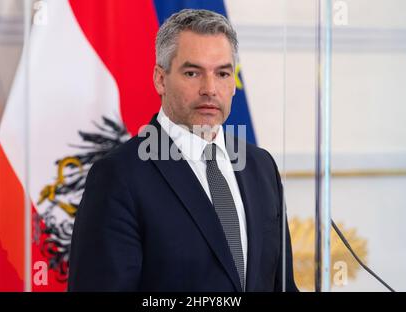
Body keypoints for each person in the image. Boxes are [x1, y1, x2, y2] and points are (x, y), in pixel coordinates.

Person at [68, 9, 298, 292]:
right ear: (160, 80)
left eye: (223, 73)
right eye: (192, 73)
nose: (210, 89)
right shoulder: (118, 176)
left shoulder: (261, 167)